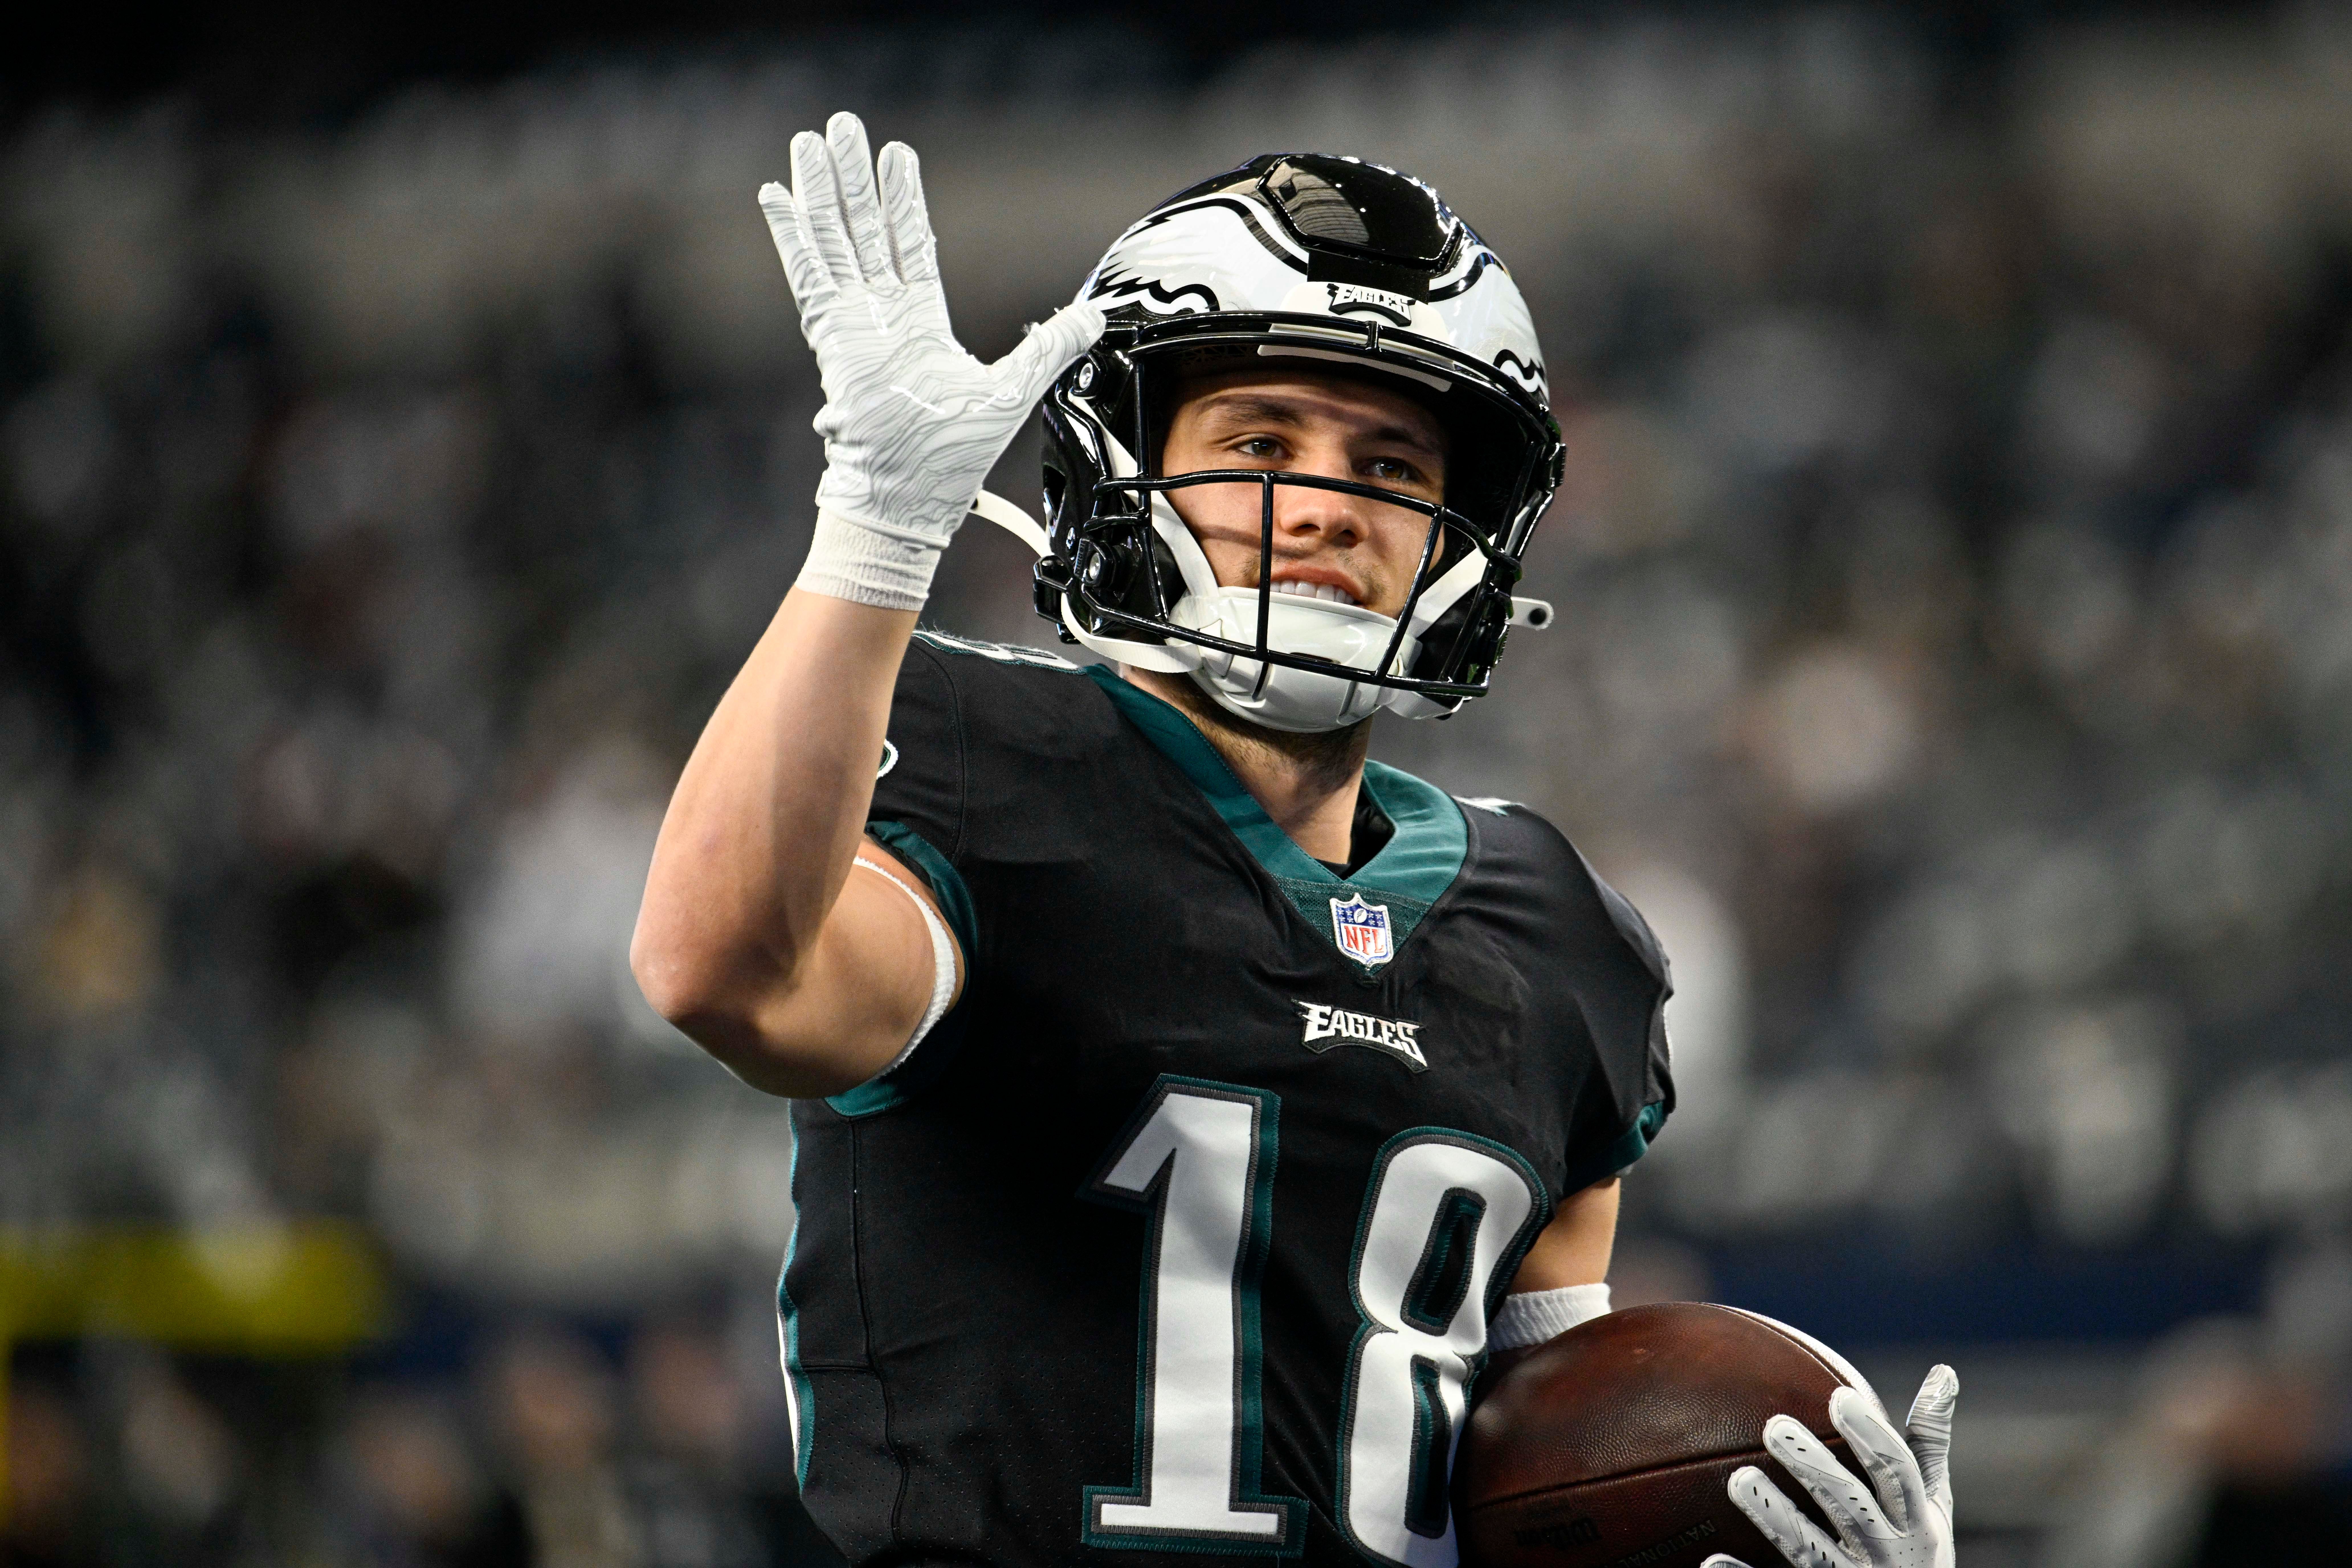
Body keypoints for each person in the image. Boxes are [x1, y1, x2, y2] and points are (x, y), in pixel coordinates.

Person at [632, 113, 1956, 1568]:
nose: (1327, 503)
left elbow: (1553, 1478)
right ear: (1124, 461)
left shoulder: (1556, 930)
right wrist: (875, 527)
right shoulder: (972, 745)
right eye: (1261, 440)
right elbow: (728, 976)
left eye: (1391, 467)